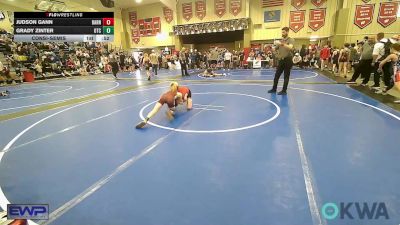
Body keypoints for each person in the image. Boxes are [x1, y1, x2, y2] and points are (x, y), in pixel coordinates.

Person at [268, 27, 295, 95]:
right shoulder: (281, 40)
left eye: (283, 32)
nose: (282, 33)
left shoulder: (291, 39)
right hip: (281, 60)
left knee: (286, 76)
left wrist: (281, 44)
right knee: (276, 75)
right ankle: (274, 89)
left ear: (287, 32)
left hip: (288, 60)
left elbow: (290, 47)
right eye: (282, 32)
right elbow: (275, 49)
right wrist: (271, 47)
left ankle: (284, 91)